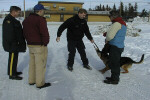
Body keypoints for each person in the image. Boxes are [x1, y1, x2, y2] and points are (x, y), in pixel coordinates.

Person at [22, 4, 51, 89]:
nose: (44, 12)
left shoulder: (26, 20)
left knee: (32, 63)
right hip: (39, 45)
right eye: (43, 10)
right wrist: (45, 43)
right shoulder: (40, 20)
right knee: (40, 65)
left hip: (30, 45)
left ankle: (31, 80)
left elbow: (24, 32)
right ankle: (40, 83)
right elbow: (44, 33)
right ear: (40, 11)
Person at [102, 10, 127, 84]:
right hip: (119, 45)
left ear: (113, 16)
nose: (109, 18)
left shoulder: (116, 24)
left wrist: (107, 39)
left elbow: (110, 36)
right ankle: (113, 77)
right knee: (115, 62)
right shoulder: (122, 23)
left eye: (110, 16)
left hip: (115, 46)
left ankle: (115, 79)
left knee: (114, 63)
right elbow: (117, 33)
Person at [2, 6, 26, 80]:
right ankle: (12, 75)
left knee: (14, 58)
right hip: (12, 44)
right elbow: (9, 34)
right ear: (13, 12)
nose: (19, 13)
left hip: (14, 44)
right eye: (18, 12)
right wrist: (15, 42)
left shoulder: (12, 19)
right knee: (12, 58)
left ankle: (13, 71)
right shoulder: (8, 20)